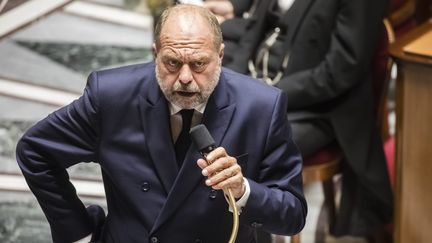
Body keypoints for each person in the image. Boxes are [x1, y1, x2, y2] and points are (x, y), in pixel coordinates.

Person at [15, 4, 307, 243]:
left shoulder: (261, 107)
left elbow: (292, 215)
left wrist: (243, 189)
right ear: (155, 54)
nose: (184, 77)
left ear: (220, 56)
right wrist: (77, 231)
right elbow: (35, 152)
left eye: (198, 64)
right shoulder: (111, 97)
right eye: (171, 63)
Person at [224, 0, 394, 240]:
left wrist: (268, 97)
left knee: (248, 146)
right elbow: (254, 30)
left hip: (321, 107)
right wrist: (232, 83)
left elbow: (340, 70)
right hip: (265, 87)